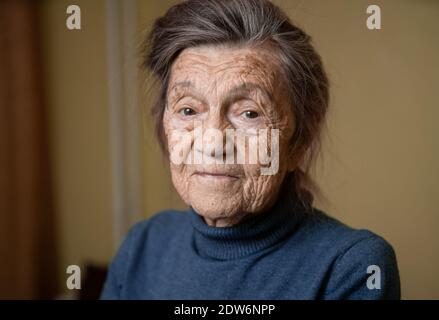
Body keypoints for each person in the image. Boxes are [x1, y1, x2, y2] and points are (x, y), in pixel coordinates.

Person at [101, 0, 400, 299]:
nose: (212, 143)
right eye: (188, 110)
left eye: (250, 113)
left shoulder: (352, 268)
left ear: (300, 141)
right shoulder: (141, 246)